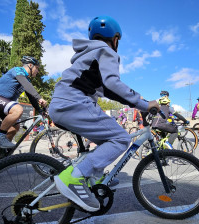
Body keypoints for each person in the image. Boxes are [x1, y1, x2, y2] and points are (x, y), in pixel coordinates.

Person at [48, 15, 159, 212]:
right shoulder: (106, 51)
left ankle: (94, 176)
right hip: (75, 103)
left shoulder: (87, 55)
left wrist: (140, 104)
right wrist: (144, 102)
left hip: (61, 105)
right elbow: (113, 83)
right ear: (115, 38)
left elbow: (108, 90)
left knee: (105, 139)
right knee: (120, 139)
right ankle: (73, 178)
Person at [0, 56, 47, 148]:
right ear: (30, 65)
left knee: (15, 127)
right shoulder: (18, 70)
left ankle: (2, 155)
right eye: (36, 68)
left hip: (3, 102)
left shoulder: (26, 79)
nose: (37, 71)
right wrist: (39, 97)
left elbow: (31, 97)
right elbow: (27, 86)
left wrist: (40, 110)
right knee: (18, 109)